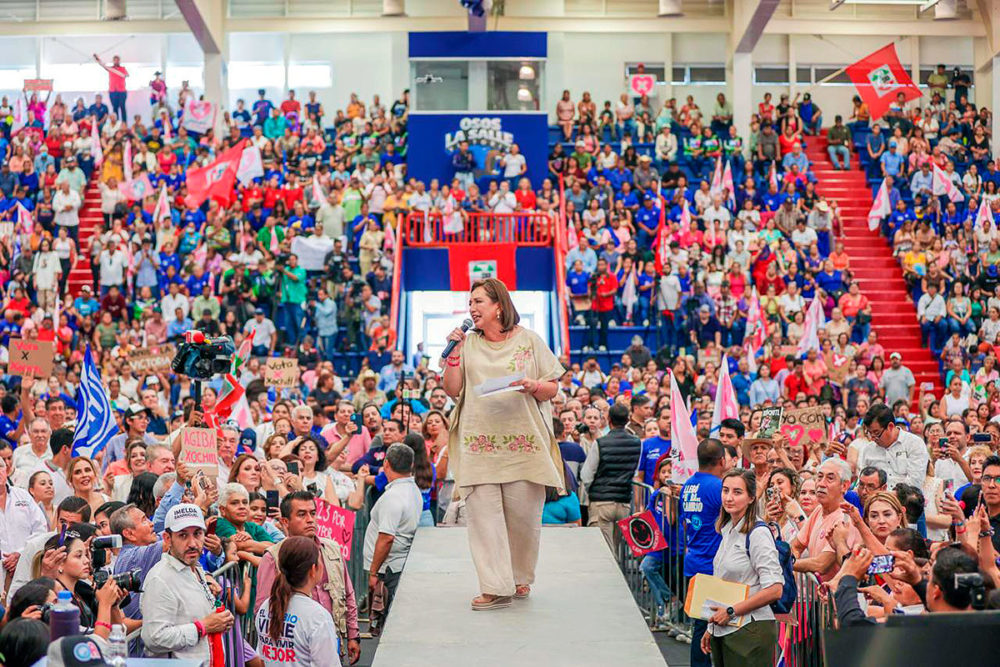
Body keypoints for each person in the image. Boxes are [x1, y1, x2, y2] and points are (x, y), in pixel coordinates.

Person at [441, 278, 566, 610]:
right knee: (484, 520)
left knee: (523, 519)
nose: (472, 309)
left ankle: (519, 576)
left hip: (522, 444)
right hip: (477, 443)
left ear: (499, 305)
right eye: (470, 303)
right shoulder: (466, 344)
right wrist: (452, 355)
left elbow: (554, 388)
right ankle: (494, 586)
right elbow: (453, 390)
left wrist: (533, 385)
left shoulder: (529, 341)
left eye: (479, 301)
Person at [255, 491, 361, 664]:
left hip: (332, 640)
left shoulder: (332, 548)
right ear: (284, 522)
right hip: (294, 651)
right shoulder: (273, 557)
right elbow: (264, 610)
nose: (310, 519)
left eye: (313, 513)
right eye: (302, 514)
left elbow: (348, 593)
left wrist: (353, 635)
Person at [701, 469, 784, 666]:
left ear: (751, 498)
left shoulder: (758, 533)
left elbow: (775, 589)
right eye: (725, 490)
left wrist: (731, 611)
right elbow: (724, 583)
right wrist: (710, 627)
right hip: (725, 628)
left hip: (750, 630)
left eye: (737, 492)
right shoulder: (728, 528)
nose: (729, 498)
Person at [141, 503, 235, 662]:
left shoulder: (195, 568)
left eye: (197, 534)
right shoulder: (160, 579)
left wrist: (220, 620)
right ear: (167, 538)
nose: (192, 543)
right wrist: (203, 627)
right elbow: (154, 638)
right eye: (183, 535)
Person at [255, 536, 341, 667]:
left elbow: (262, 659)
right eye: (320, 560)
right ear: (313, 569)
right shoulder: (317, 617)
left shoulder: (266, 607)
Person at [363, 443, 421, 628]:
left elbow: (386, 537)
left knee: (389, 623)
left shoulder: (393, 496)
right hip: (395, 565)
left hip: (388, 569)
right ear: (411, 465)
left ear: (386, 464)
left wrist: (374, 572)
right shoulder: (412, 490)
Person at [681, 439, 726, 667]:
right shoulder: (718, 487)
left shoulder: (688, 485)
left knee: (701, 626)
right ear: (722, 461)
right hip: (710, 565)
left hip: (694, 562)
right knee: (706, 628)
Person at [580, 403, 642, 550]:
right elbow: (635, 472)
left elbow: (586, 475)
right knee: (617, 551)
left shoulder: (600, 443)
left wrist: (593, 492)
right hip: (624, 503)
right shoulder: (637, 443)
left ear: (608, 420)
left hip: (601, 501)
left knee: (604, 553)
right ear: (627, 419)